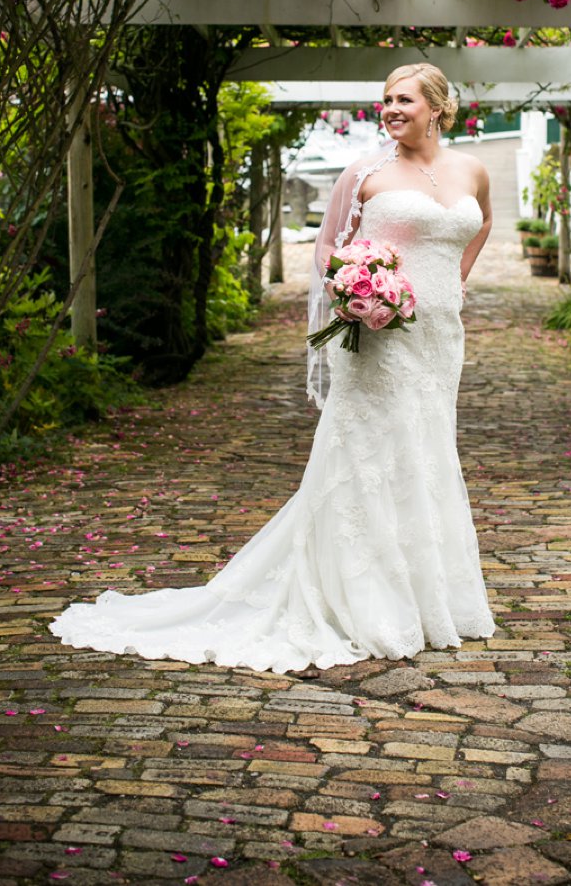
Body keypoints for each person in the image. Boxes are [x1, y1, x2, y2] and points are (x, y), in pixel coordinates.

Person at [49, 62, 496, 673]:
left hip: (441, 338)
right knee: (368, 455)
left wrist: (456, 281)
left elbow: (481, 223)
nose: (391, 109)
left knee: (426, 450)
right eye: (385, 98)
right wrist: (363, 294)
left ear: (439, 109)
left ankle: (425, 594)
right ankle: (362, 598)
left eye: (405, 100)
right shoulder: (365, 172)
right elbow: (328, 249)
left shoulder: (471, 169)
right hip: (379, 339)